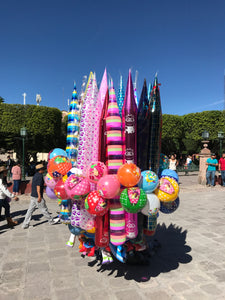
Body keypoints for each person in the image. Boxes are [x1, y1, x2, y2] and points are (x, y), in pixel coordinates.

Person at [22, 164, 59, 229]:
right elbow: (38, 186)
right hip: (37, 195)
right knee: (44, 209)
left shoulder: (35, 175)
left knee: (30, 210)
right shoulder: (39, 176)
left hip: (33, 195)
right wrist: (39, 196)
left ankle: (25, 224)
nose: (44, 170)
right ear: (40, 170)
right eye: (43, 169)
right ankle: (51, 220)